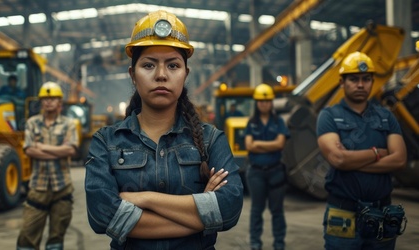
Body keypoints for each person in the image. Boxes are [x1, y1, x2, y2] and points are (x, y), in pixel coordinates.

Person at [84, 10, 243, 249]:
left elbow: (229, 209)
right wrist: (202, 212)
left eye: (173, 65)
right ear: (133, 76)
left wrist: (144, 199)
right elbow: (102, 216)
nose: (161, 75)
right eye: (148, 65)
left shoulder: (210, 140)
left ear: (185, 74)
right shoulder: (106, 142)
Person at [316, 51, 407, 250]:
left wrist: (352, 162)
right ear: (342, 82)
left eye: (366, 79)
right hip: (343, 213)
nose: (360, 84)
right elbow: (338, 159)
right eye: (354, 79)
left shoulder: (385, 116)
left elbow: (400, 159)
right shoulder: (329, 116)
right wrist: (377, 153)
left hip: (383, 212)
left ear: (373, 81)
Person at [16, 82, 78, 250]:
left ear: (59, 102)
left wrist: (42, 147)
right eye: (45, 98)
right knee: (27, 238)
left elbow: (71, 150)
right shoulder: (32, 123)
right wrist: (59, 151)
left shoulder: (68, 124)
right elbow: (29, 150)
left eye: (52, 98)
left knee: (56, 239)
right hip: (38, 188)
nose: (48, 101)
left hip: (62, 189)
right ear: (41, 102)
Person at [244, 83, 290, 250]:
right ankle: (255, 243)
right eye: (260, 101)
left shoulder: (279, 122)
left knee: (277, 211)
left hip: (276, 172)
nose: (264, 104)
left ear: (271, 102)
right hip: (256, 173)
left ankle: (279, 244)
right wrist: (270, 144)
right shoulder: (251, 122)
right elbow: (249, 146)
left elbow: (280, 144)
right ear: (256, 103)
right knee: (256, 210)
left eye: (267, 101)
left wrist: (259, 144)